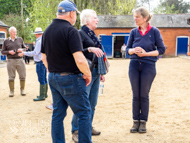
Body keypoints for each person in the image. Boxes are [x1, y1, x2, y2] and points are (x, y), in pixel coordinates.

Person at [41, 1, 92, 143]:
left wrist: (54, 71)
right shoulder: (71, 31)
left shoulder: (47, 31)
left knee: (57, 114)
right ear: (71, 13)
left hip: (53, 77)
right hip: (70, 78)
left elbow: (43, 57)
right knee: (83, 113)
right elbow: (80, 59)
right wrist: (87, 74)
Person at [126, 7, 166, 133]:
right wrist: (134, 50)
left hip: (148, 66)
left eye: (137, 16)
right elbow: (127, 50)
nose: (135, 19)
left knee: (143, 95)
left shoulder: (154, 31)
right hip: (134, 65)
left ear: (145, 18)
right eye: (134, 16)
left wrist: (146, 54)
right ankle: (135, 122)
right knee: (135, 95)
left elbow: (161, 50)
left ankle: (143, 122)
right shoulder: (133, 32)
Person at [71, 9, 106, 142]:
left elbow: (99, 53)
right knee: (82, 103)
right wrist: (90, 49)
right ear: (86, 20)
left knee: (92, 103)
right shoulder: (80, 34)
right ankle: (76, 130)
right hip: (86, 73)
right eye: (94, 18)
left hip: (96, 71)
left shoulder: (92, 35)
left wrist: (101, 72)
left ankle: (87, 127)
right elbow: (77, 52)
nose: (97, 20)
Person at [19, 27, 48, 101]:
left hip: (39, 62)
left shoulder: (39, 42)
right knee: (44, 78)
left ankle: (42, 95)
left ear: (36, 34)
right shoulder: (44, 40)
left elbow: (34, 53)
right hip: (44, 61)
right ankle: (45, 94)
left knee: (41, 78)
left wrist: (24, 53)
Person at [1, 26, 27, 97]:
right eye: (13, 32)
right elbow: (3, 51)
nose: (15, 33)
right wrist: (9, 52)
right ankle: (11, 91)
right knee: (11, 77)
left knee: (22, 76)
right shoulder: (6, 41)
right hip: (10, 60)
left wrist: (21, 50)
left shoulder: (20, 39)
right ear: (10, 33)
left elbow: (25, 48)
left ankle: (22, 90)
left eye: (15, 32)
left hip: (20, 60)